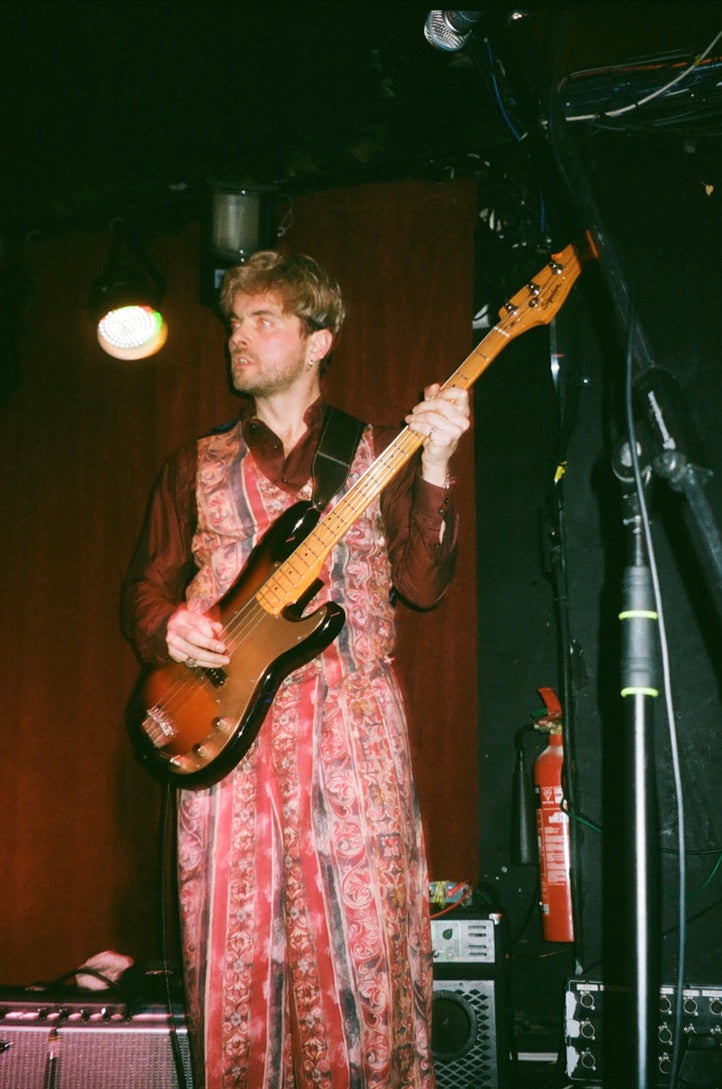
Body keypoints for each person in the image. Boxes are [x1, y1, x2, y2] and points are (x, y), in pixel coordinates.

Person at [122, 250, 471, 1089]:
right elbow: (142, 591)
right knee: (233, 973)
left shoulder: (374, 451)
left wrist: (435, 465)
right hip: (222, 740)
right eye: (235, 322)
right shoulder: (194, 464)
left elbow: (423, 585)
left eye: (264, 319)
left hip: (351, 734)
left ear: (320, 340)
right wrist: (169, 625)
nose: (239, 337)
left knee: (362, 961)